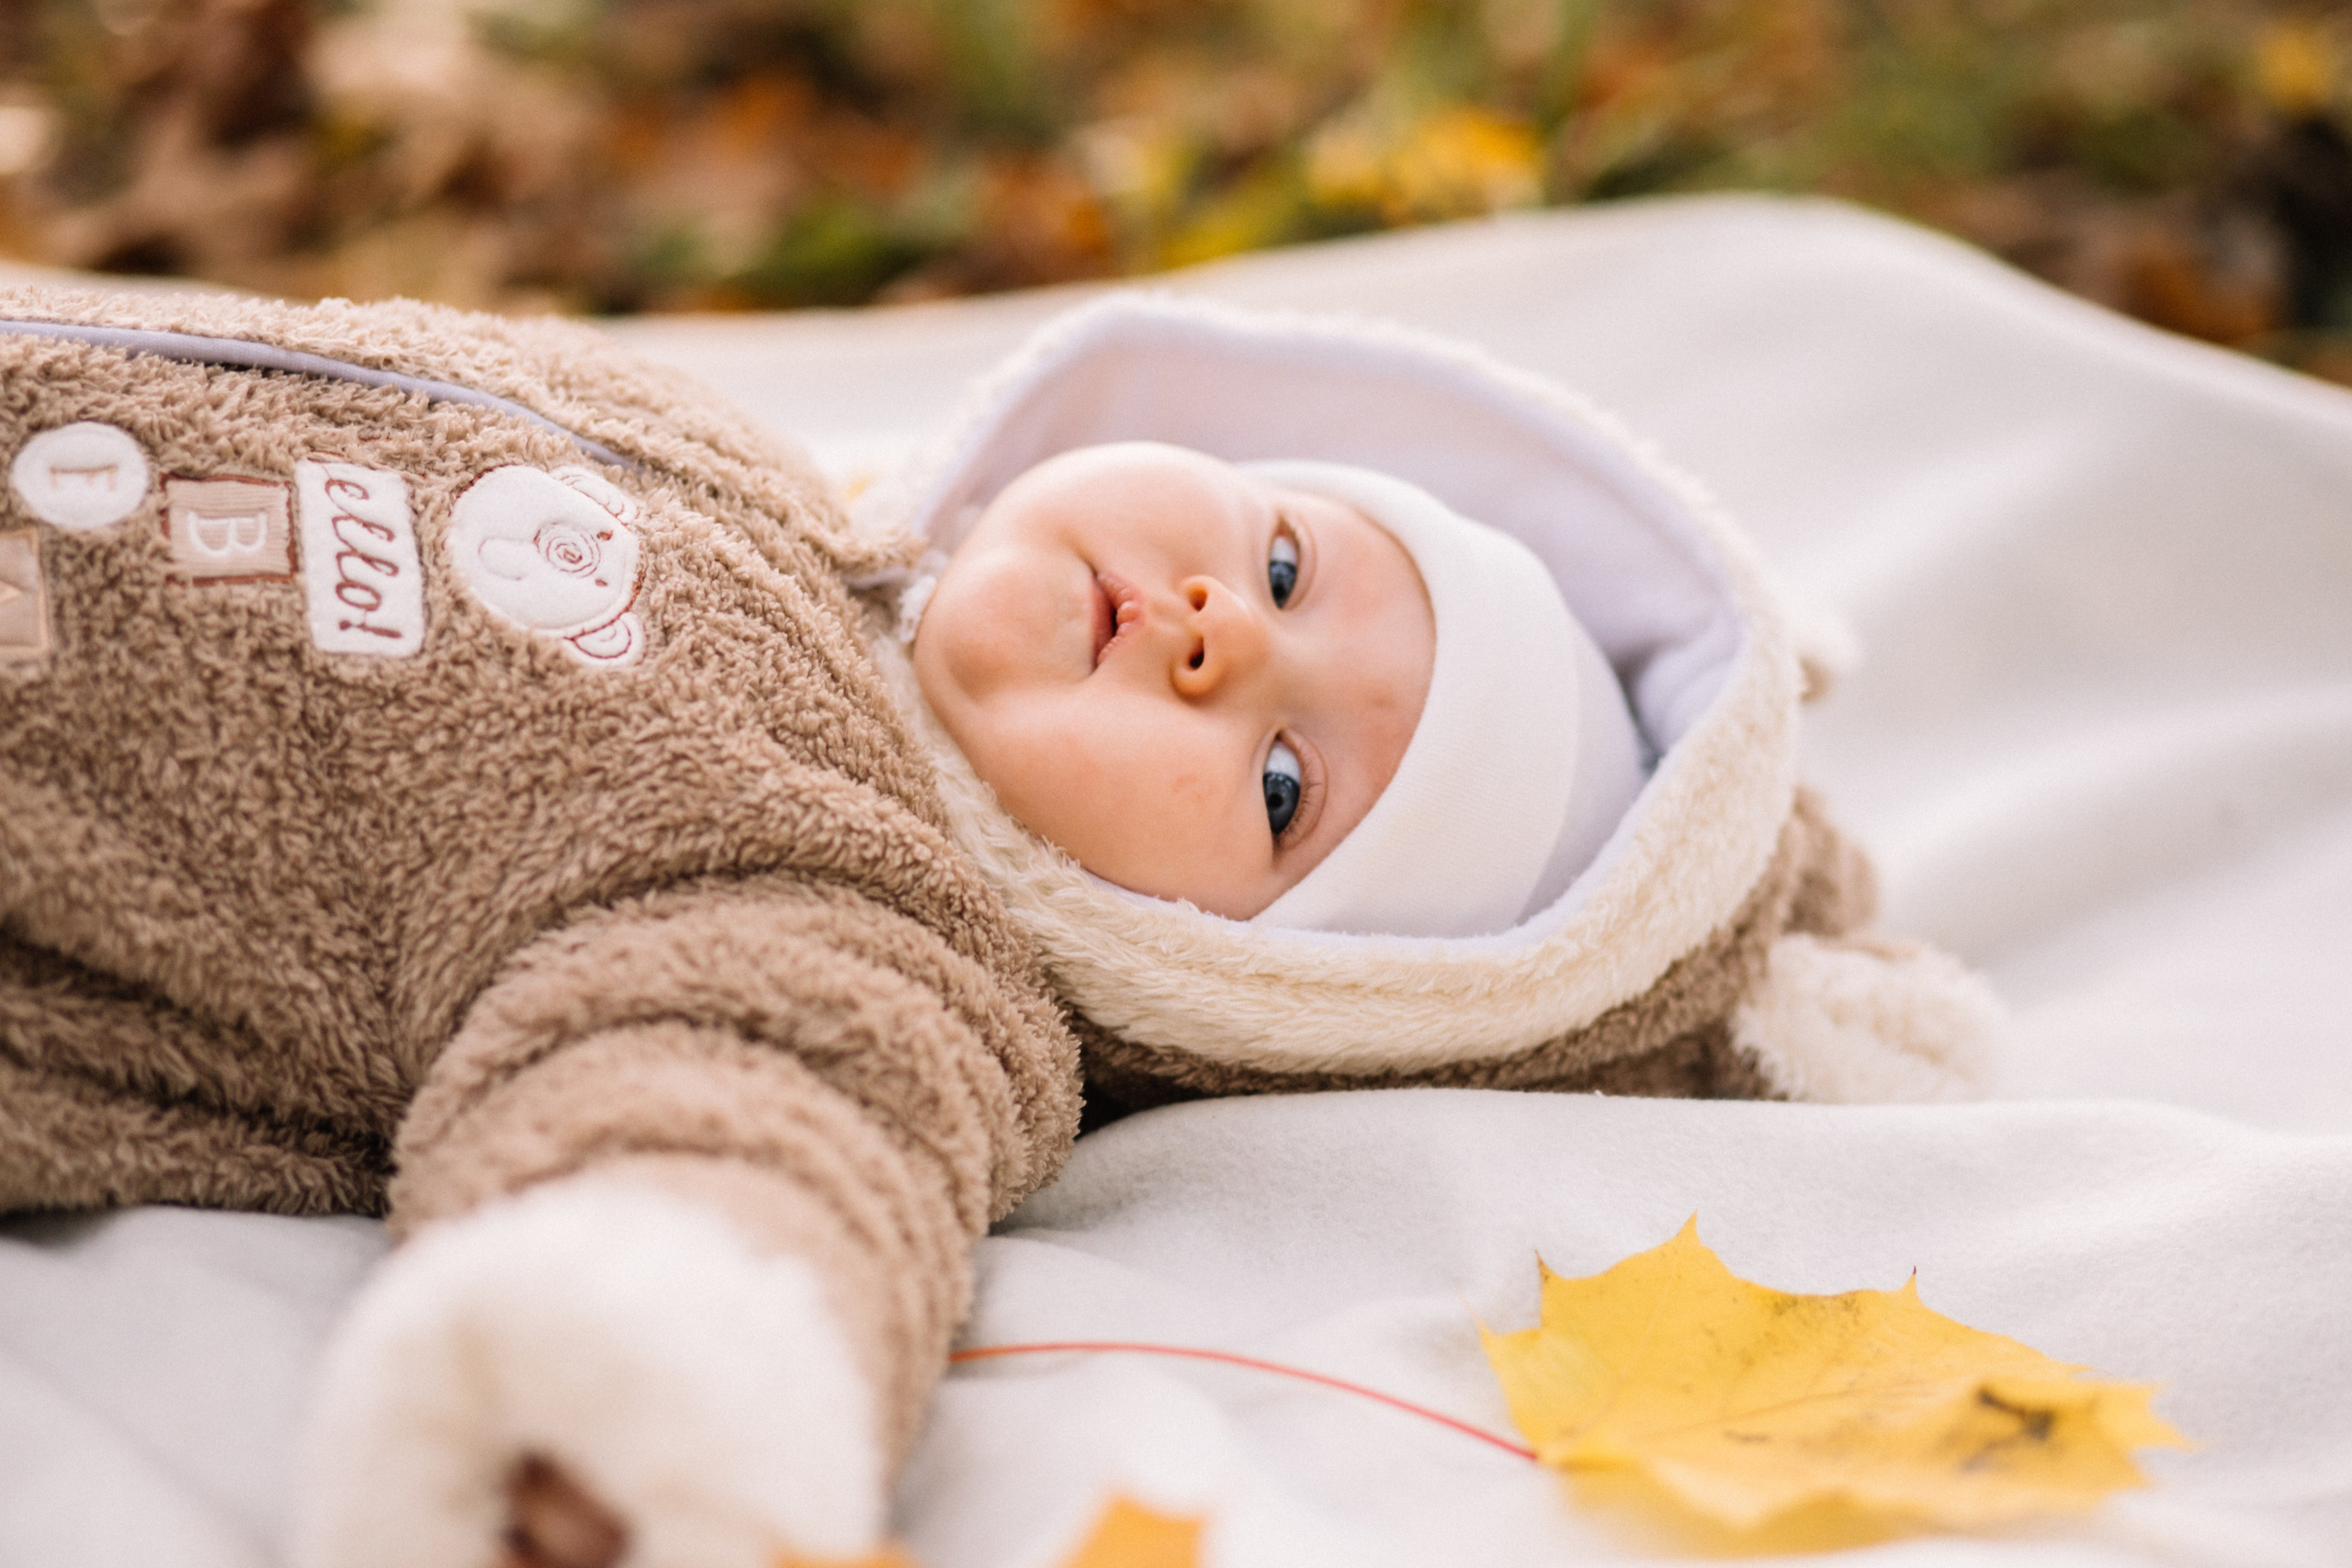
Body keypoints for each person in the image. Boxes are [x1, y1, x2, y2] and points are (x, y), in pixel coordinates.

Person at [0, 286, 1993, 1568]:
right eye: (1285, 553)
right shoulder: (746, 470)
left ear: (1215, 970)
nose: (1226, 631)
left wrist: (616, 1407)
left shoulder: (861, 922)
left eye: (1286, 785)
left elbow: (744, 1132)